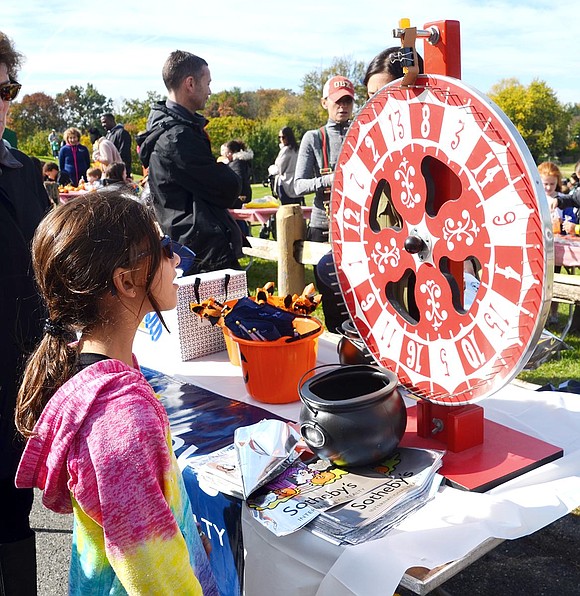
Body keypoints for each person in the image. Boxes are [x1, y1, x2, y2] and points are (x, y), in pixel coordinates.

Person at [14, 191, 217, 595]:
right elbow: (154, 578)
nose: (176, 260)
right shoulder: (121, 423)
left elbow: (138, 513)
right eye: (163, 250)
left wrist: (189, 538)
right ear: (126, 281)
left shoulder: (91, 373)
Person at [0, 30, 51, 595]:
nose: (0, 102)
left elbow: (50, 281)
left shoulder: (24, 174)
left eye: (6, 88)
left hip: (14, 391)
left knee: (14, 519)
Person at [138, 50, 244, 275]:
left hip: (189, 246)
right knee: (220, 310)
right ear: (190, 83)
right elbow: (226, 188)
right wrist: (227, 171)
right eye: (207, 83)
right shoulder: (176, 137)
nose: (210, 91)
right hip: (201, 253)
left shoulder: (173, 129)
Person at [294, 75, 355, 243]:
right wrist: (331, 179)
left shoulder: (362, 133)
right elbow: (298, 186)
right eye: (337, 101)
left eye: (347, 101)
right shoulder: (314, 138)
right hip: (323, 225)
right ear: (324, 103)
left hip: (357, 224)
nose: (343, 106)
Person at [268, 126, 304, 205]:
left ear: (288, 137)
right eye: (279, 137)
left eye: (283, 137)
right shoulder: (298, 149)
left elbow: (279, 169)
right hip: (297, 185)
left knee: (286, 211)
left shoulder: (286, 150)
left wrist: (270, 169)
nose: (281, 139)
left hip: (286, 185)